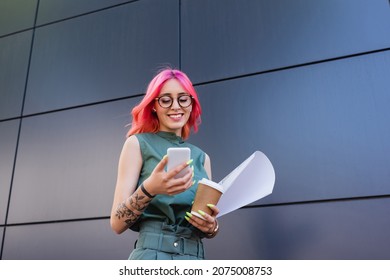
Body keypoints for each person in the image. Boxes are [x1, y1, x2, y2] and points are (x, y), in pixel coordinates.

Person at [110, 68, 220, 260]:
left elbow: (205, 226)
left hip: (194, 257)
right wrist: (150, 188)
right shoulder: (137, 144)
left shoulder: (203, 158)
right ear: (154, 105)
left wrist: (211, 227)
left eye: (183, 98)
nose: (176, 106)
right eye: (166, 99)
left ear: (191, 103)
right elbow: (117, 223)